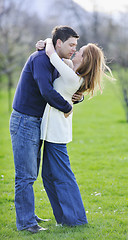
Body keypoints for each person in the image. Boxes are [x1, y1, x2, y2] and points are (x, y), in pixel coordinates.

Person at [9, 25, 83, 233]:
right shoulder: (41, 59)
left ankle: (28, 215)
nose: (74, 50)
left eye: (76, 46)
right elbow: (47, 91)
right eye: (71, 45)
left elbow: (65, 88)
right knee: (26, 175)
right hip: (25, 121)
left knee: (31, 173)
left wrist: (77, 98)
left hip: (38, 122)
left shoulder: (54, 60)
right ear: (58, 43)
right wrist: (67, 108)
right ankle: (26, 223)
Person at [36, 38, 114, 226]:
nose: (75, 52)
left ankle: (76, 220)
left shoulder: (72, 77)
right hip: (52, 131)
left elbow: (53, 56)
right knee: (48, 177)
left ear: (85, 59)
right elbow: (63, 60)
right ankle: (64, 219)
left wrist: (48, 41)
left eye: (80, 51)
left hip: (56, 134)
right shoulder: (73, 72)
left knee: (63, 177)